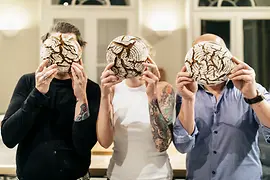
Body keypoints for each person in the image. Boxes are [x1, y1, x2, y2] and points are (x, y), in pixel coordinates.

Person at [1, 22, 101, 180]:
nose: (61, 51)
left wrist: (81, 97)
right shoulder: (28, 82)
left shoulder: (91, 89)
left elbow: (84, 145)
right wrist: (37, 92)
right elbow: (9, 137)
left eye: (69, 46)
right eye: (55, 46)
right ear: (44, 49)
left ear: (79, 51)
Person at [173, 33, 270, 180]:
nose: (208, 61)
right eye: (201, 55)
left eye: (214, 53)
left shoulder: (252, 89)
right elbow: (183, 146)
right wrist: (188, 99)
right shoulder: (186, 93)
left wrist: (253, 96)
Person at [97, 37, 175, 180]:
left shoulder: (163, 89)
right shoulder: (113, 90)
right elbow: (104, 142)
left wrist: (151, 96)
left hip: (157, 176)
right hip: (117, 175)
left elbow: (162, 143)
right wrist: (104, 96)